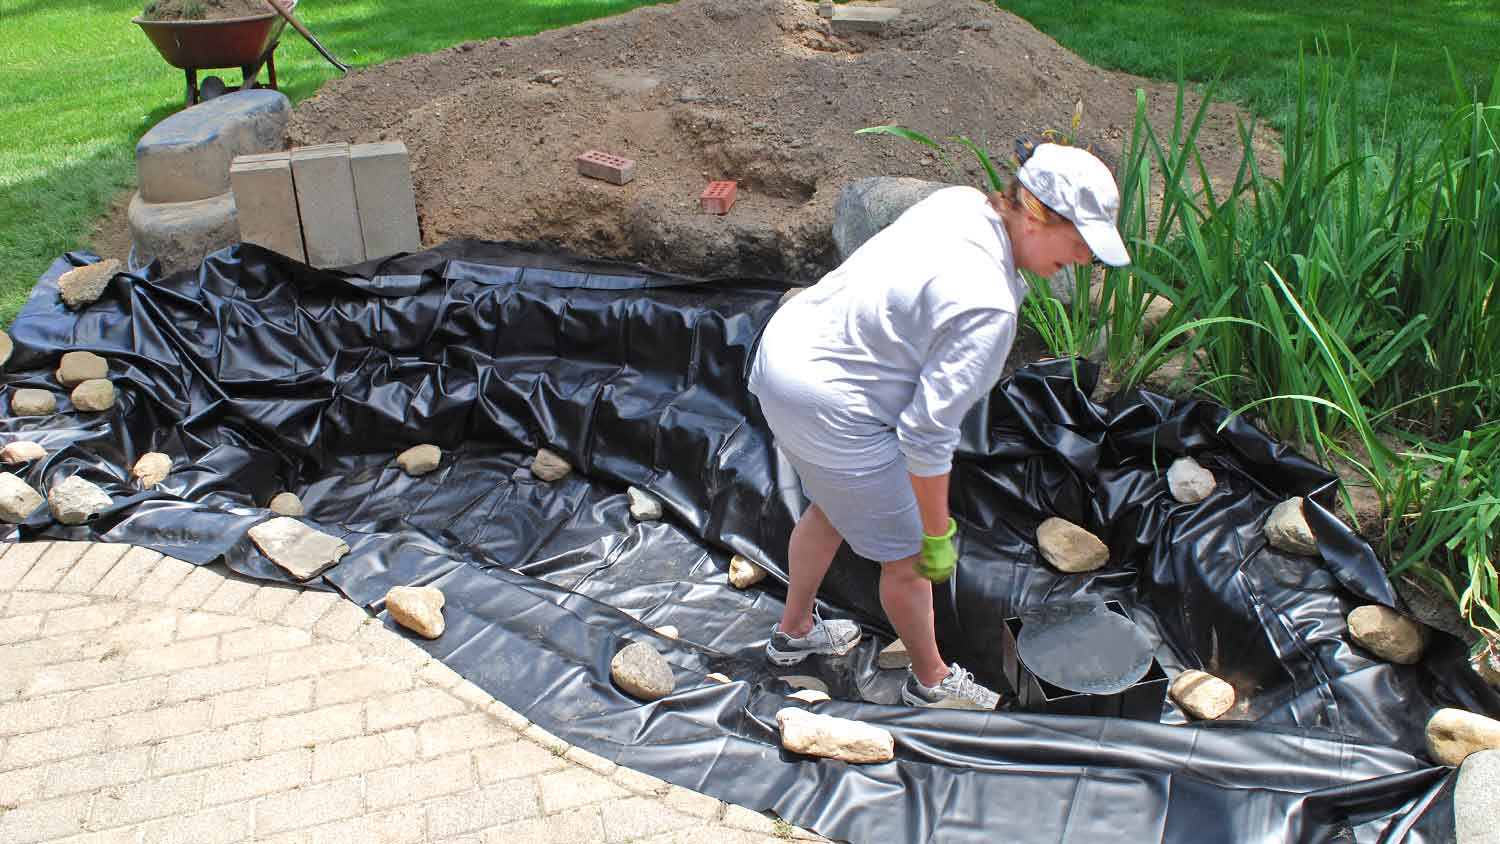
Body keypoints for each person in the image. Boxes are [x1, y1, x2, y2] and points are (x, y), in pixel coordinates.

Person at [747, 143, 1131, 708]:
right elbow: (926, 438)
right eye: (1078, 243)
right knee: (906, 559)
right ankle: (931, 682)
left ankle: (795, 634)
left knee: (829, 505)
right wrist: (934, 532)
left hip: (787, 351)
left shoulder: (960, 205)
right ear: (1033, 209)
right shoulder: (987, 306)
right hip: (830, 400)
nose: (1080, 260)